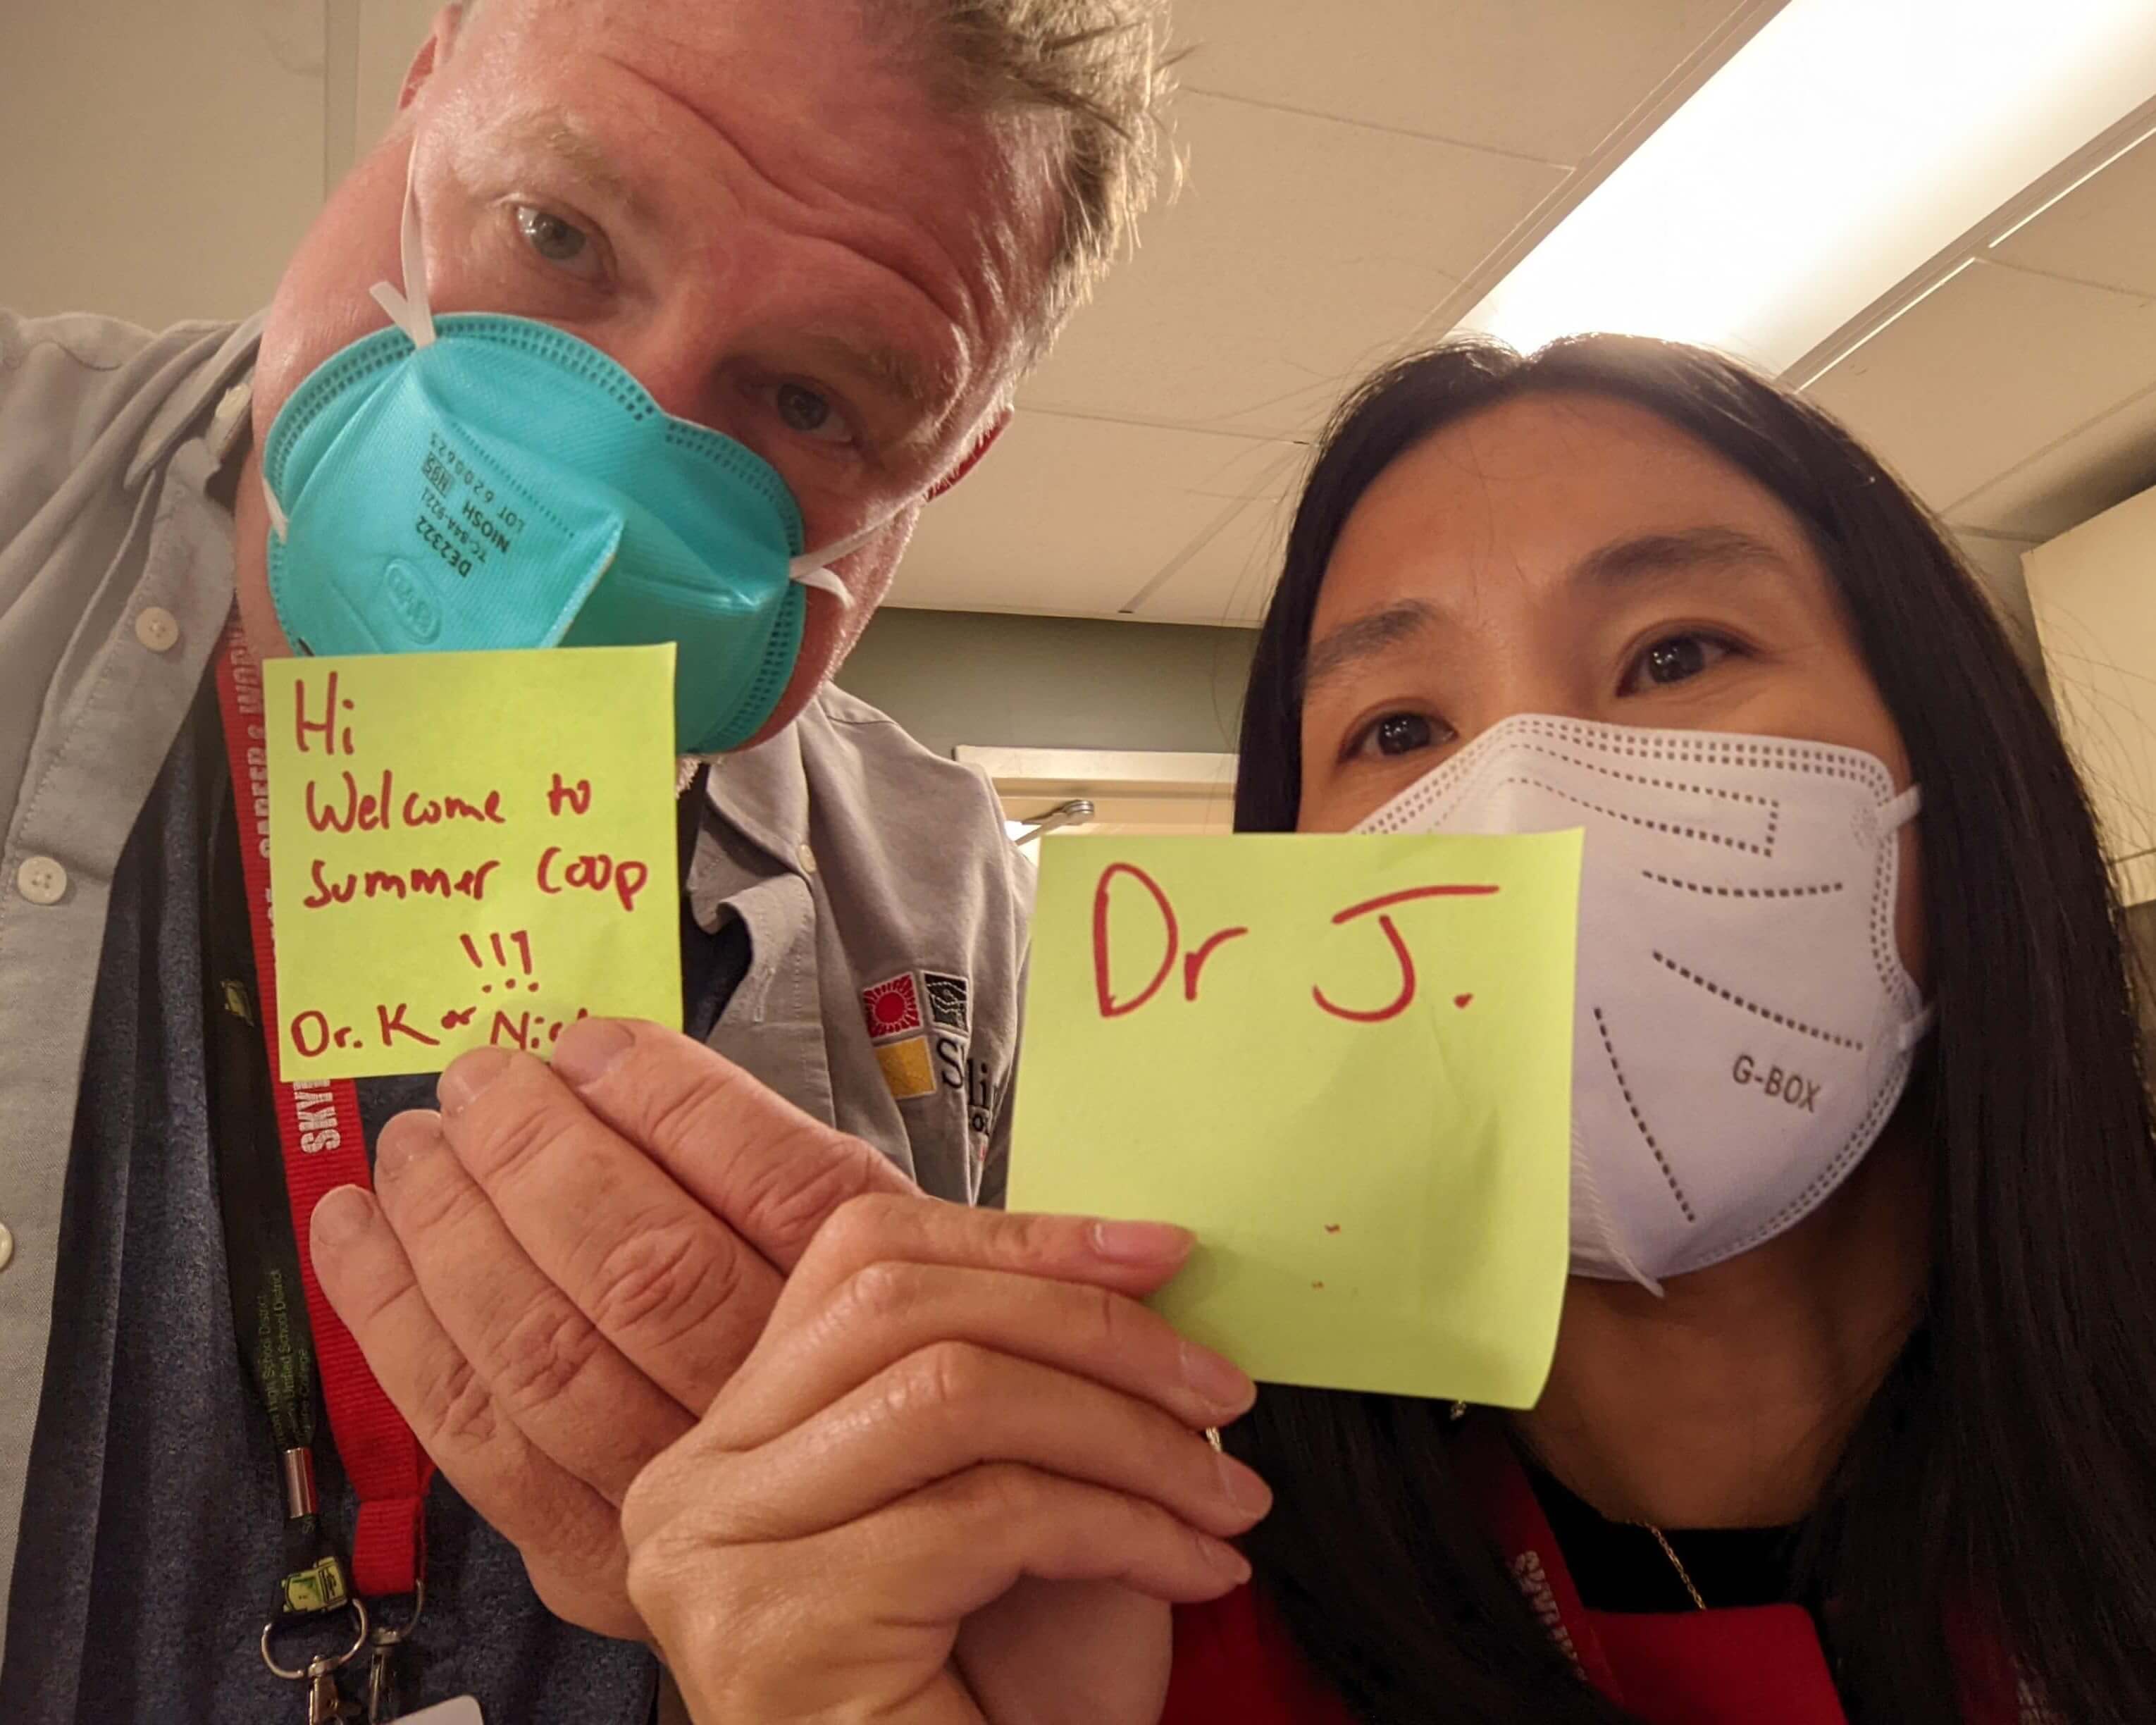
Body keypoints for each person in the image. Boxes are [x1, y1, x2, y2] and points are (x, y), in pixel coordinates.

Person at [608, 335, 2156, 1724]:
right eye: (1400, 732)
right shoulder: (1124, 1609)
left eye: (1676, 652)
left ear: (1951, 777)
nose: (1526, 807)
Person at [0, 1, 1172, 1719]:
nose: (602, 475)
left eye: (807, 399)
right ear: (424, 87)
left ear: (952, 466)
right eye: (556, 235)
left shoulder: (950, 907)